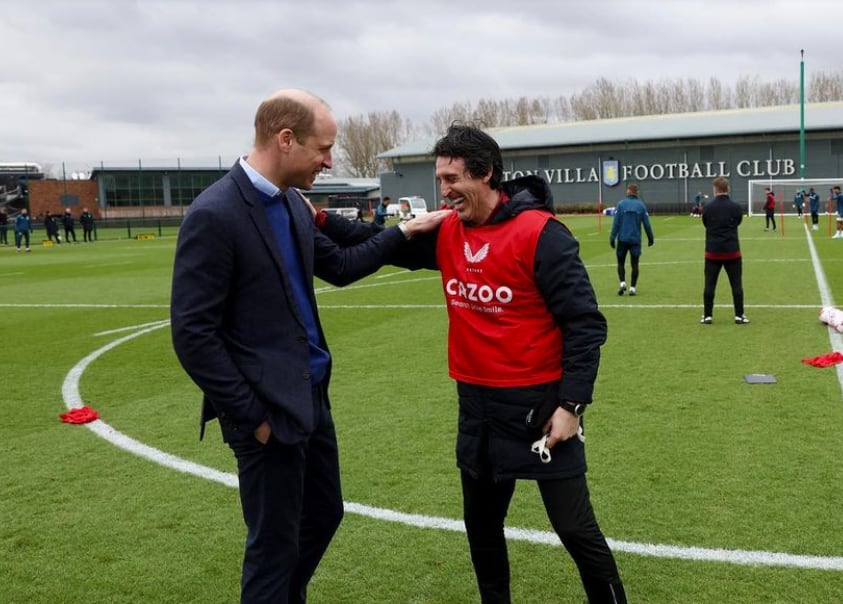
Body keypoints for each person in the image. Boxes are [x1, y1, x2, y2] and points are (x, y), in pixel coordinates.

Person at [322, 124, 627, 603]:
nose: (442, 190)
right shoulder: (446, 230)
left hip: (540, 407)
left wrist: (572, 405)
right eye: (439, 179)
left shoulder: (542, 235)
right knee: (482, 527)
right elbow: (374, 239)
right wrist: (318, 220)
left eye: (451, 178)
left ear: (486, 174)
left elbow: (585, 324)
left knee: (575, 529)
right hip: (477, 409)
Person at [170, 88, 447, 604]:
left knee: (323, 514)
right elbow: (192, 334)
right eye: (323, 149)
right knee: (273, 547)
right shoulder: (215, 213)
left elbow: (340, 266)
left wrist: (404, 233)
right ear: (285, 139)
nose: (330, 159)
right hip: (266, 411)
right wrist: (253, 416)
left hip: (311, 396)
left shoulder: (291, 204)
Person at [701, 176, 748, 325]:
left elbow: (706, 223)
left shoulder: (708, 207)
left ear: (715, 190)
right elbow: (738, 222)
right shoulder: (735, 207)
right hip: (732, 251)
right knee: (736, 285)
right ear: (728, 189)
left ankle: (708, 315)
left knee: (709, 284)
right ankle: (739, 315)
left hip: (713, 251)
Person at [609, 183, 654, 296]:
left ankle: (622, 282)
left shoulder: (621, 204)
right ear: (637, 192)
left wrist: (612, 237)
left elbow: (616, 223)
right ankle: (633, 288)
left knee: (620, 262)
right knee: (635, 264)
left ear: (628, 191)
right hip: (635, 240)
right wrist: (650, 238)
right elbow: (647, 224)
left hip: (622, 239)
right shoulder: (641, 205)